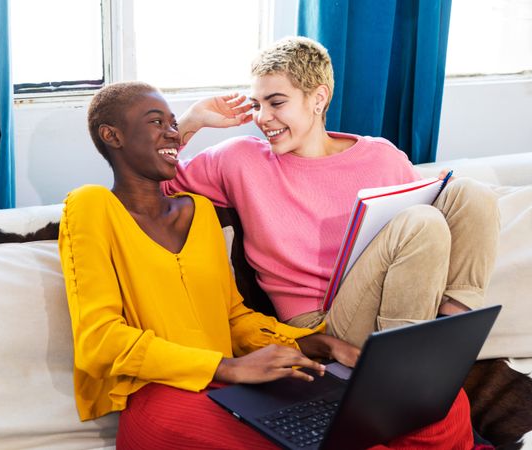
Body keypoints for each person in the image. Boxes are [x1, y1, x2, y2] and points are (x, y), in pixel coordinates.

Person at [60, 80, 477, 449]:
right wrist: (226, 367)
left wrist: (313, 342)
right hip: (163, 395)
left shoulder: (200, 212)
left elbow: (234, 318)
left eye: (174, 122)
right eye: (157, 122)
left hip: (234, 382)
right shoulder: (91, 205)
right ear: (111, 135)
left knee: (444, 405)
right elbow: (100, 342)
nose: (171, 132)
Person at [167, 36, 500, 349]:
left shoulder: (380, 155)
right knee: (422, 221)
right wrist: (190, 121)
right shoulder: (239, 158)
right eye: (257, 104)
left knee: (472, 193)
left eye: (276, 103)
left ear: (319, 98)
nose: (262, 118)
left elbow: (431, 223)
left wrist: (441, 190)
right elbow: (154, 184)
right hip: (320, 323)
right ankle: (401, 361)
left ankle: (451, 328)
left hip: (386, 297)